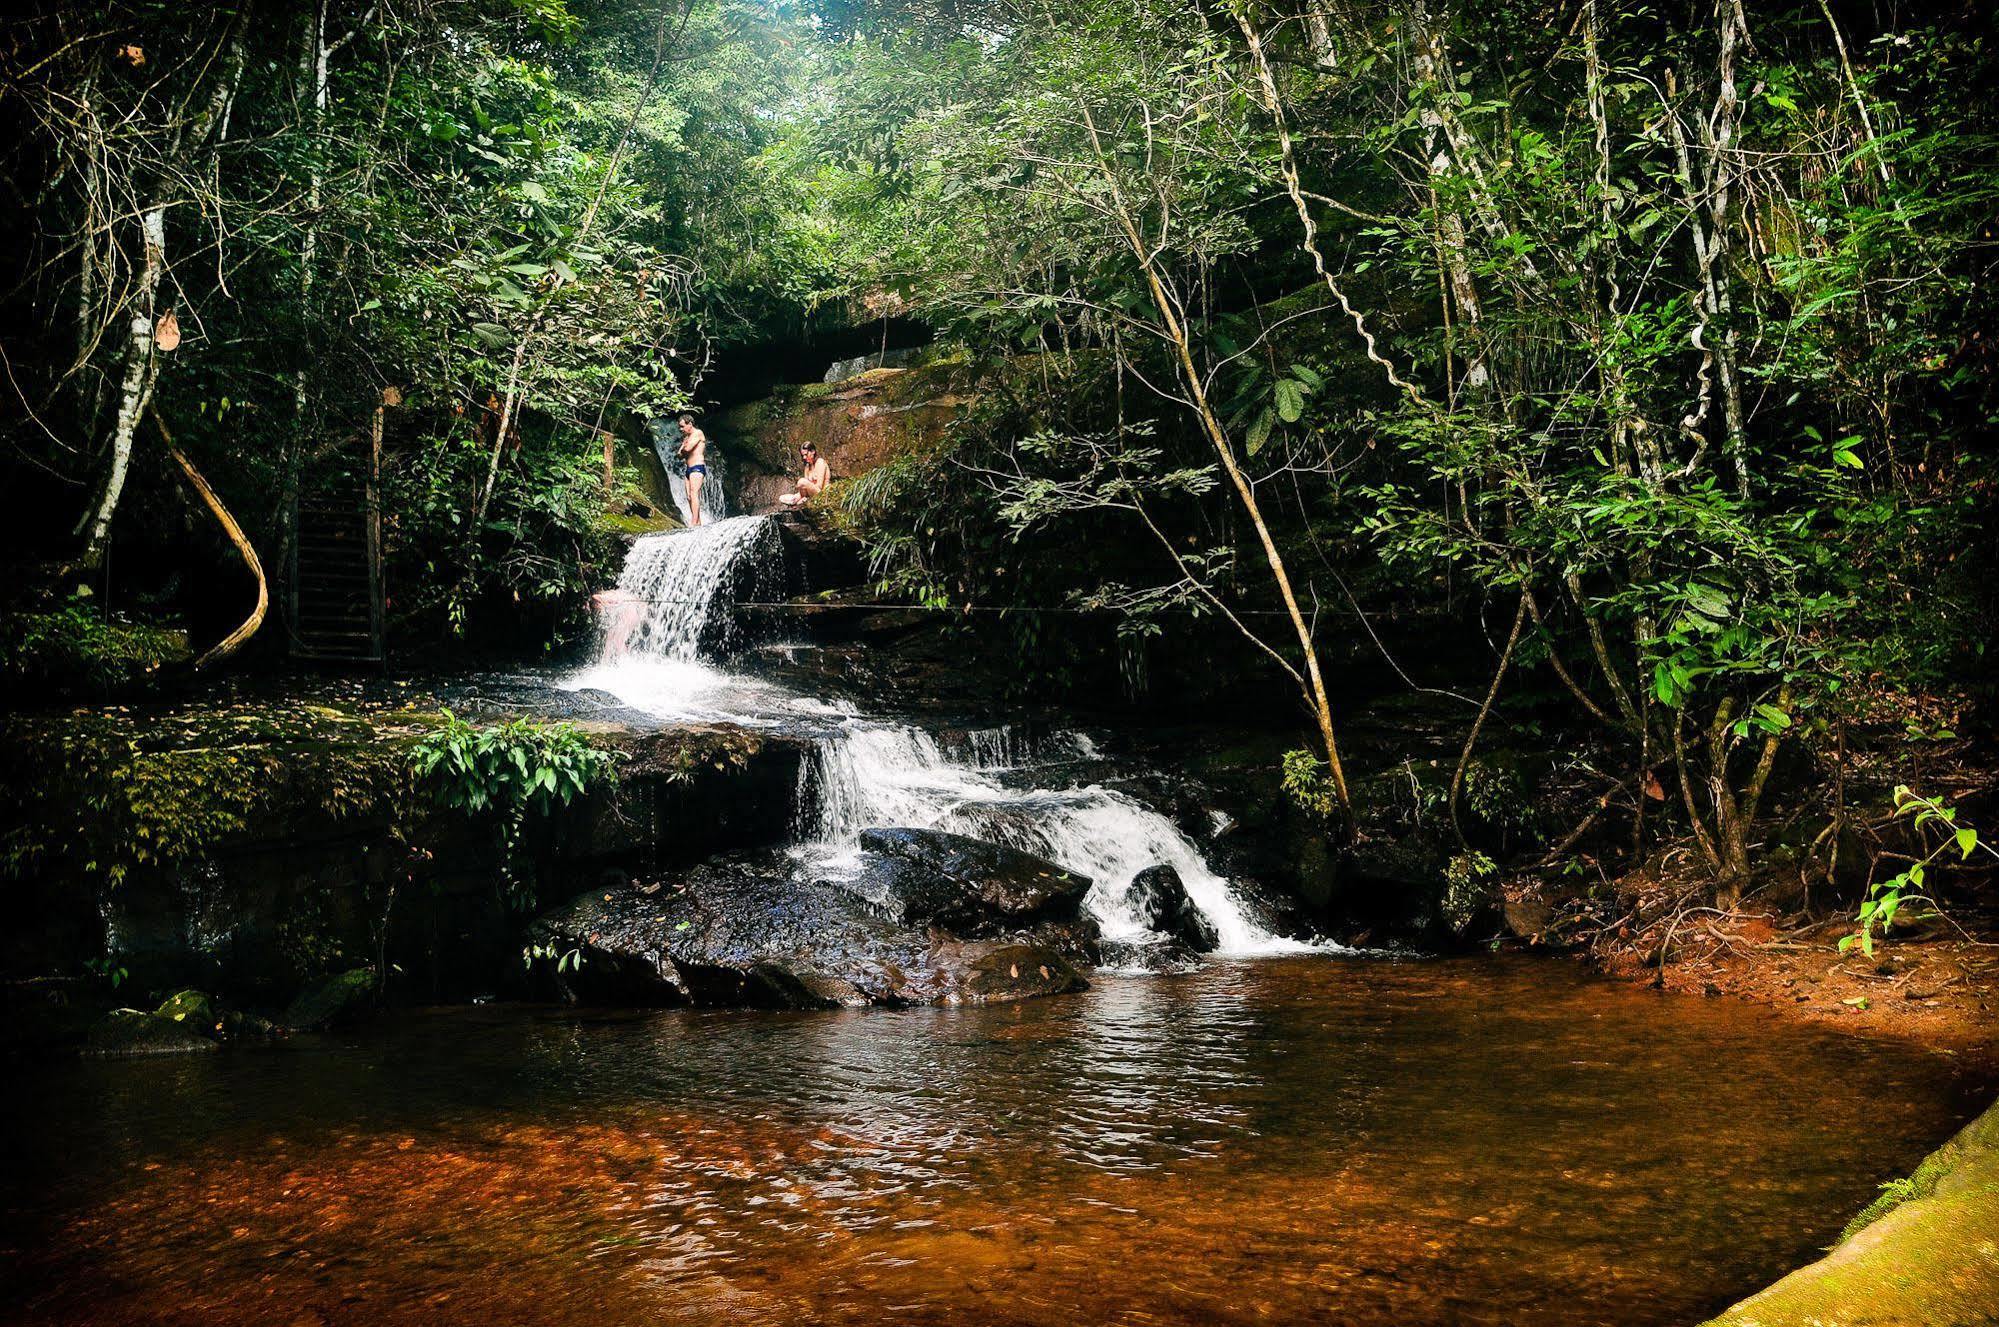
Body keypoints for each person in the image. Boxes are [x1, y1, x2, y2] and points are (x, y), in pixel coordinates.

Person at [675, 414, 709, 526]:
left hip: (697, 467)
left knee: (694, 493)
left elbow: (687, 449)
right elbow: (679, 455)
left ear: (690, 424)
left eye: (682, 426)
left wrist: (683, 448)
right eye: (680, 427)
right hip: (688, 469)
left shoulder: (698, 433)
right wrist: (683, 449)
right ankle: (698, 522)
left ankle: (693, 523)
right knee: (689, 496)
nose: (681, 429)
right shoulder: (687, 438)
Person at [779, 441, 830, 509]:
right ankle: (798, 501)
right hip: (809, 494)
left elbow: (819, 486)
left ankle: (801, 501)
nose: (804, 457)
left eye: (806, 454)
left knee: (802, 481)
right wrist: (799, 497)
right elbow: (804, 488)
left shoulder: (820, 462)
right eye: (803, 455)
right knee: (782, 498)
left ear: (813, 451)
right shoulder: (807, 467)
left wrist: (804, 491)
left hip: (821, 493)